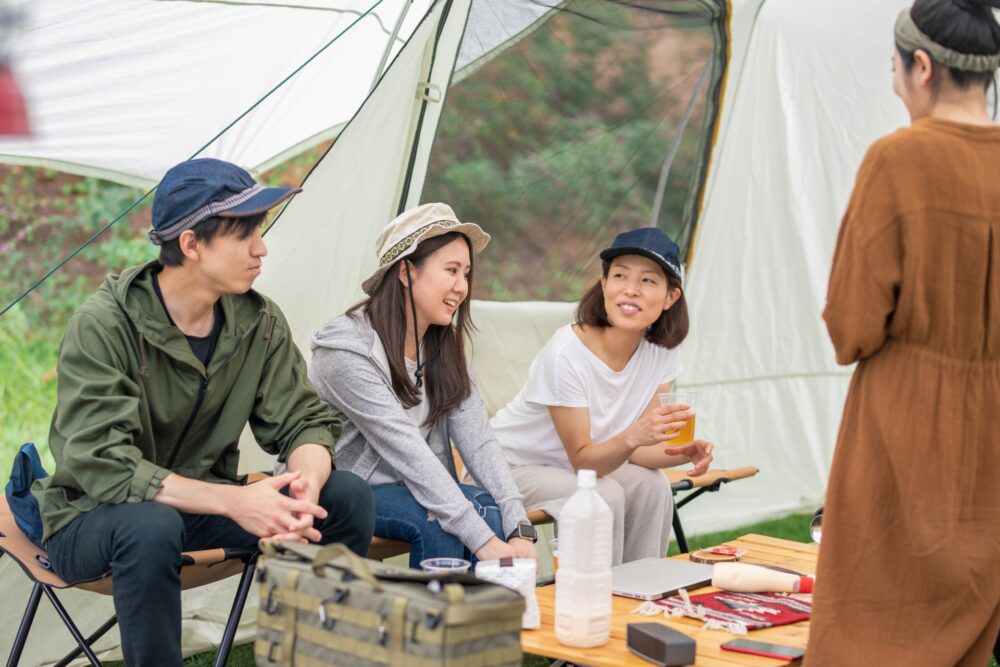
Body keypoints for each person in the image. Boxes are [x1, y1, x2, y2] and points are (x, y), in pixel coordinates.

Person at [32, 158, 375, 667]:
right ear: (192, 244)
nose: (262, 247)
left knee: (343, 496)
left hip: (196, 510)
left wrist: (302, 486)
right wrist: (236, 503)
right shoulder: (103, 325)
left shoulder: (256, 321)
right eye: (245, 235)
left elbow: (304, 420)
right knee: (150, 525)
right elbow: (105, 463)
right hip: (93, 518)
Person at [806, 1, 1000, 664]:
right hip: (993, 433)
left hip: (904, 422)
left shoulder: (897, 157)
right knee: (969, 616)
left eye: (894, 67)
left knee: (875, 620)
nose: (892, 83)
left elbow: (852, 325)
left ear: (923, 66)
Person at [308, 203, 537, 569]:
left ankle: (482, 623)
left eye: (465, 273)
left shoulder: (443, 344)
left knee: (488, 508)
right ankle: (431, 625)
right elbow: (406, 449)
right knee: (444, 523)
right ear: (406, 272)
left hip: (414, 488)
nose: (461, 287)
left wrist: (518, 526)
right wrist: (484, 543)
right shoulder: (347, 350)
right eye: (450, 271)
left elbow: (477, 440)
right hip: (345, 493)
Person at [491, 227, 714, 565]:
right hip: (511, 466)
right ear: (605, 284)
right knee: (601, 494)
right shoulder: (567, 353)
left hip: (582, 464)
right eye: (620, 276)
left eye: (648, 281)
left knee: (651, 487)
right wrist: (634, 435)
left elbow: (637, 452)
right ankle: (589, 602)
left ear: (671, 297)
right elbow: (584, 459)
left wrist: (683, 453)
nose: (630, 290)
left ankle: (639, 590)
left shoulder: (662, 352)